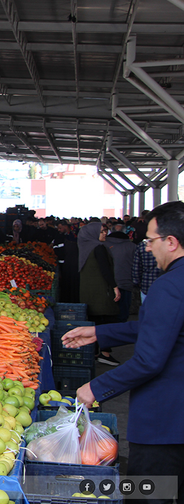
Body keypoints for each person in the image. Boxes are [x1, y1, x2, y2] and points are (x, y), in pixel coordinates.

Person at [62, 201, 184, 504]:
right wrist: (100, 333)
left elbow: (150, 360)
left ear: (171, 242)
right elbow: (162, 327)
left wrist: (97, 387)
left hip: (165, 422)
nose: (147, 248)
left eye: (150, 241)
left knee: (150, 494)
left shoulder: (169, 286)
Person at [78, 222, 121, 366]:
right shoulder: (98, 248)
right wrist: (114, 286)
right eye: (102, 231)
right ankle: (105, 353)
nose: (105, 234)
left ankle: (96, 351)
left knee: (95, 321)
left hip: (88, 291)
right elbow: (105, 269)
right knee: (106, 320)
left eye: (105, 231)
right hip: (101, 291)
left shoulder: (85, 246)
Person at [105, 228, 137, 323]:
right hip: (126, 282)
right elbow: (137, 265)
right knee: (123, 310)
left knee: (108, 311)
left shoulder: (103, 245)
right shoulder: (132, 246)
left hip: (108, 283)